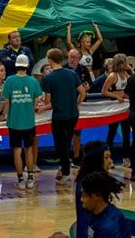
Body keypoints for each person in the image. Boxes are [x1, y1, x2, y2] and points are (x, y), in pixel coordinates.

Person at [42, 48, 87, 185]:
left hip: (59, 116)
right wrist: (76, 104)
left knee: (61, 145)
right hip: (73, 114)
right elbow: (83, 93)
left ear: (50, 60)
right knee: (67, 142)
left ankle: (66, 174)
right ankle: (63, 168)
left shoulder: (48, 78)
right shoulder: (72, 74)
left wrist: (42, 107)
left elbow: (48, 102)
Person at [1, 54, 43, 189]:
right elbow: (36, 101)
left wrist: (3, 115)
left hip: (14, 122)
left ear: (16, 65)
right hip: (29, 122)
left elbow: (7, 102)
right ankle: (30, 179)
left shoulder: (9, 81)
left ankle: (20, 180)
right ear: (28, 66)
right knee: (29, 149)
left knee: (17, 150)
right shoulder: (33, 81)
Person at [74, 141, 112, 238]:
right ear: (96, 159)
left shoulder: (87, 178)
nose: (110, 161)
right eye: (106, 157)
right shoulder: (90, 185)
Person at [100, 54, 131, 168]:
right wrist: (116, 96)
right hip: (114, 106)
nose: (126, 64)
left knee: (126, 132)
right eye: (124, 62)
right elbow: (104, 91)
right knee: (112, 132)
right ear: (119, 63)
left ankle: (126, 158)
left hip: (125, 107)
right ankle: (108, 158)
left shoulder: (126, 75)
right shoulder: (113, 76)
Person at [79, 171, 128, 238]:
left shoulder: (108, 227)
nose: (81, 199)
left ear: (97, 195)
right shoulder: (98, 212)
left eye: (84, 195)